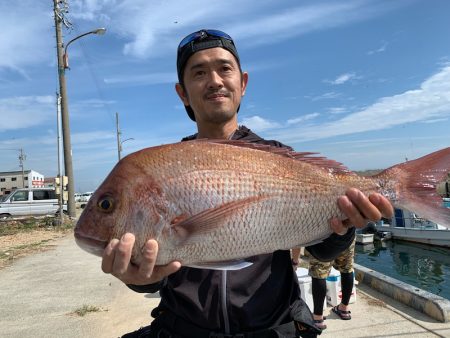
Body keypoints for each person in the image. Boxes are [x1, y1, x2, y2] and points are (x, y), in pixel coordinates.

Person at [101, 29, 393, 338]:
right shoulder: (167, 167)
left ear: (243, 82)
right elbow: (157, 276)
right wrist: (139, 276)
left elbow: (320, 252)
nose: (214, 80)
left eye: (225, 68)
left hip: (271, 330)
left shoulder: (281, 157)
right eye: (199, 72)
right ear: (182, 92)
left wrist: (345, 225)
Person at [292, 239, 356, 330]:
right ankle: (344, 309)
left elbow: (297, 237)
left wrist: (295, 261)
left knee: (319, 273)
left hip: (323, 238)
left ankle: (318, 318)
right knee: (347, 269)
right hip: (347, 237)